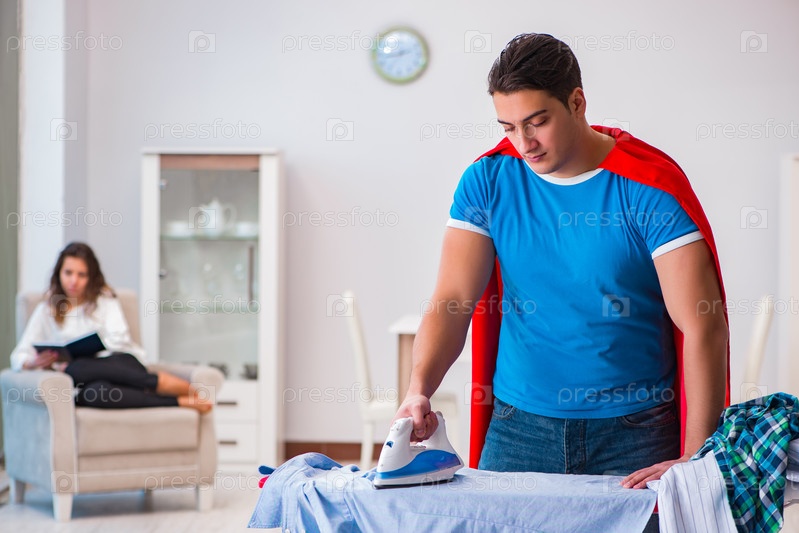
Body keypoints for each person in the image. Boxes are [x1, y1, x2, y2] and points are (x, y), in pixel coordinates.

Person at [393, 32, 728, 524]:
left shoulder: (647, 188)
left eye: (537, 122)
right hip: (518, 428)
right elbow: (453, 299)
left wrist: (695, 459)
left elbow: (702, 324)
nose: (523, 143)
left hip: (635, 432)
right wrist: (418, 388)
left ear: (576, 102)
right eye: (509, 127)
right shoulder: (488, 181)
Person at [10, 241, 212, 413]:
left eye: (82, 275)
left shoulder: (105, 302)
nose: (74, 281)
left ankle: (168, 385)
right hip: (82, 380)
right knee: (95, 394)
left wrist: (90, 351)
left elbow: (120, 341)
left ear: (91, 277)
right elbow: (18, 356)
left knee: (77, 368)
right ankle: (178, 401)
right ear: (59, 274)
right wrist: (33, 362)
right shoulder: (47, 309)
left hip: (120, 364)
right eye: (68, 273)